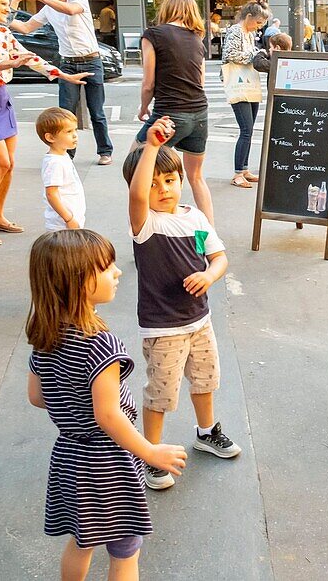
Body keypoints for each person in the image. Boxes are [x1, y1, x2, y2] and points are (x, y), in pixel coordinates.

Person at [26, 229, 188, 580]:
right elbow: (108, 415)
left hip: (70, 456)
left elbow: (37, 397)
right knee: (125, 552)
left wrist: (71, 404)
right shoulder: (100, 344)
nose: (117, 273)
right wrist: (149, 452)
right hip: (109, 463)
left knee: (82, 543)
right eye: (107, 267)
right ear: (77, 281)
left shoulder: (45, 336)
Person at [123, 120, 239, 492]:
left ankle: (207, 432)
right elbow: (139, 195)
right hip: (163, 328)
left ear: (181, 180)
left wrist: (209, 275)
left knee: (205, 381)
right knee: (161, 391)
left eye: (169, 181)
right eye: (154, 184)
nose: (162, 190)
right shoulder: (146, 224)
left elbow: (218, 257)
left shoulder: (196, 218)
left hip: (199, 321)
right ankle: (151, 453)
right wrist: (153, 147)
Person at [0, 0, 90, 247]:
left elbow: (30, 57)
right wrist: (8, 62)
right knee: (0, 163)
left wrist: (63, 75)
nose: (8, 9)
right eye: (4, 4)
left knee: (10, 164)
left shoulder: (2, 33)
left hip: (0, 96)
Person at [8, 0, 114, 166]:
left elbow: (70, 10)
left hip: (91, 60)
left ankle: (105, 151)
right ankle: (66, 154)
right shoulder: (48, 10)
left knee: (96, 111)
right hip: (68, 64)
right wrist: (13, 4)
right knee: (66, 112)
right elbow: (25, 27)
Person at [134, 0, 215, 224]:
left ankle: (152, 229)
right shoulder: (196, 39)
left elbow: (148, 83)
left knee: (136, 165)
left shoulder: (153, 35)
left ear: (167, 9)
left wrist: (143, 108)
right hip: (199, 113)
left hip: (168, 115)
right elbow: (200, 82)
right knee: (196, 177)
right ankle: (209, 239)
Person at [221, 0, 268, 188]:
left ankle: (245, 168)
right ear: (248, 17)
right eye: (258, 23)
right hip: (239, 83)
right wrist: (254, 56)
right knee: (246, 130)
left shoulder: (248, 33)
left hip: (249, 83)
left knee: (249, 129)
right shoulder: (236, 31)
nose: (259, 27)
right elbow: (230, 54)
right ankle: (238, 173)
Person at [36, 107, 85, 231]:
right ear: (50, 138)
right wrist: (68, 218)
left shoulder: (62, 156)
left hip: (70, 218)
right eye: (68, 132)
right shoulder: (54, 162)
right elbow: (51, 194)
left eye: (75, 130)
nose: (75, 135)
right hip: (62, 224)